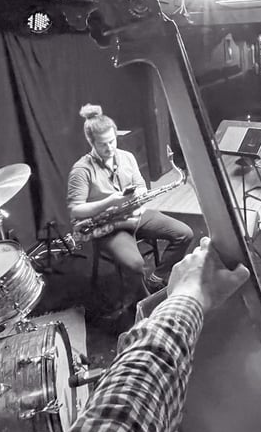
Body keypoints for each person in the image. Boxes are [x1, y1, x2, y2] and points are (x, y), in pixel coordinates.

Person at [0, 237, 250, 432]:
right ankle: (150, 282)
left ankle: (154, 280)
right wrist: (188, 297)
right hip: (111, 232)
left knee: (180, 232)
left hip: (130, 224)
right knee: (139, 261)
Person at [67, 104, 194, 315]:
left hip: (135, 215)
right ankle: (147, 306)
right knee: (135, 265)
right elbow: (76, 210)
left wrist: (141, 194)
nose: (110, 148)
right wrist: (109, 202)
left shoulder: (126, 157)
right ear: (91, 142)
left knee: (184, 233)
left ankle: (157, 278)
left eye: (112, 141)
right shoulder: (81, 170)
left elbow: (140, 184)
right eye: (103, 144)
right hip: (108, 226)